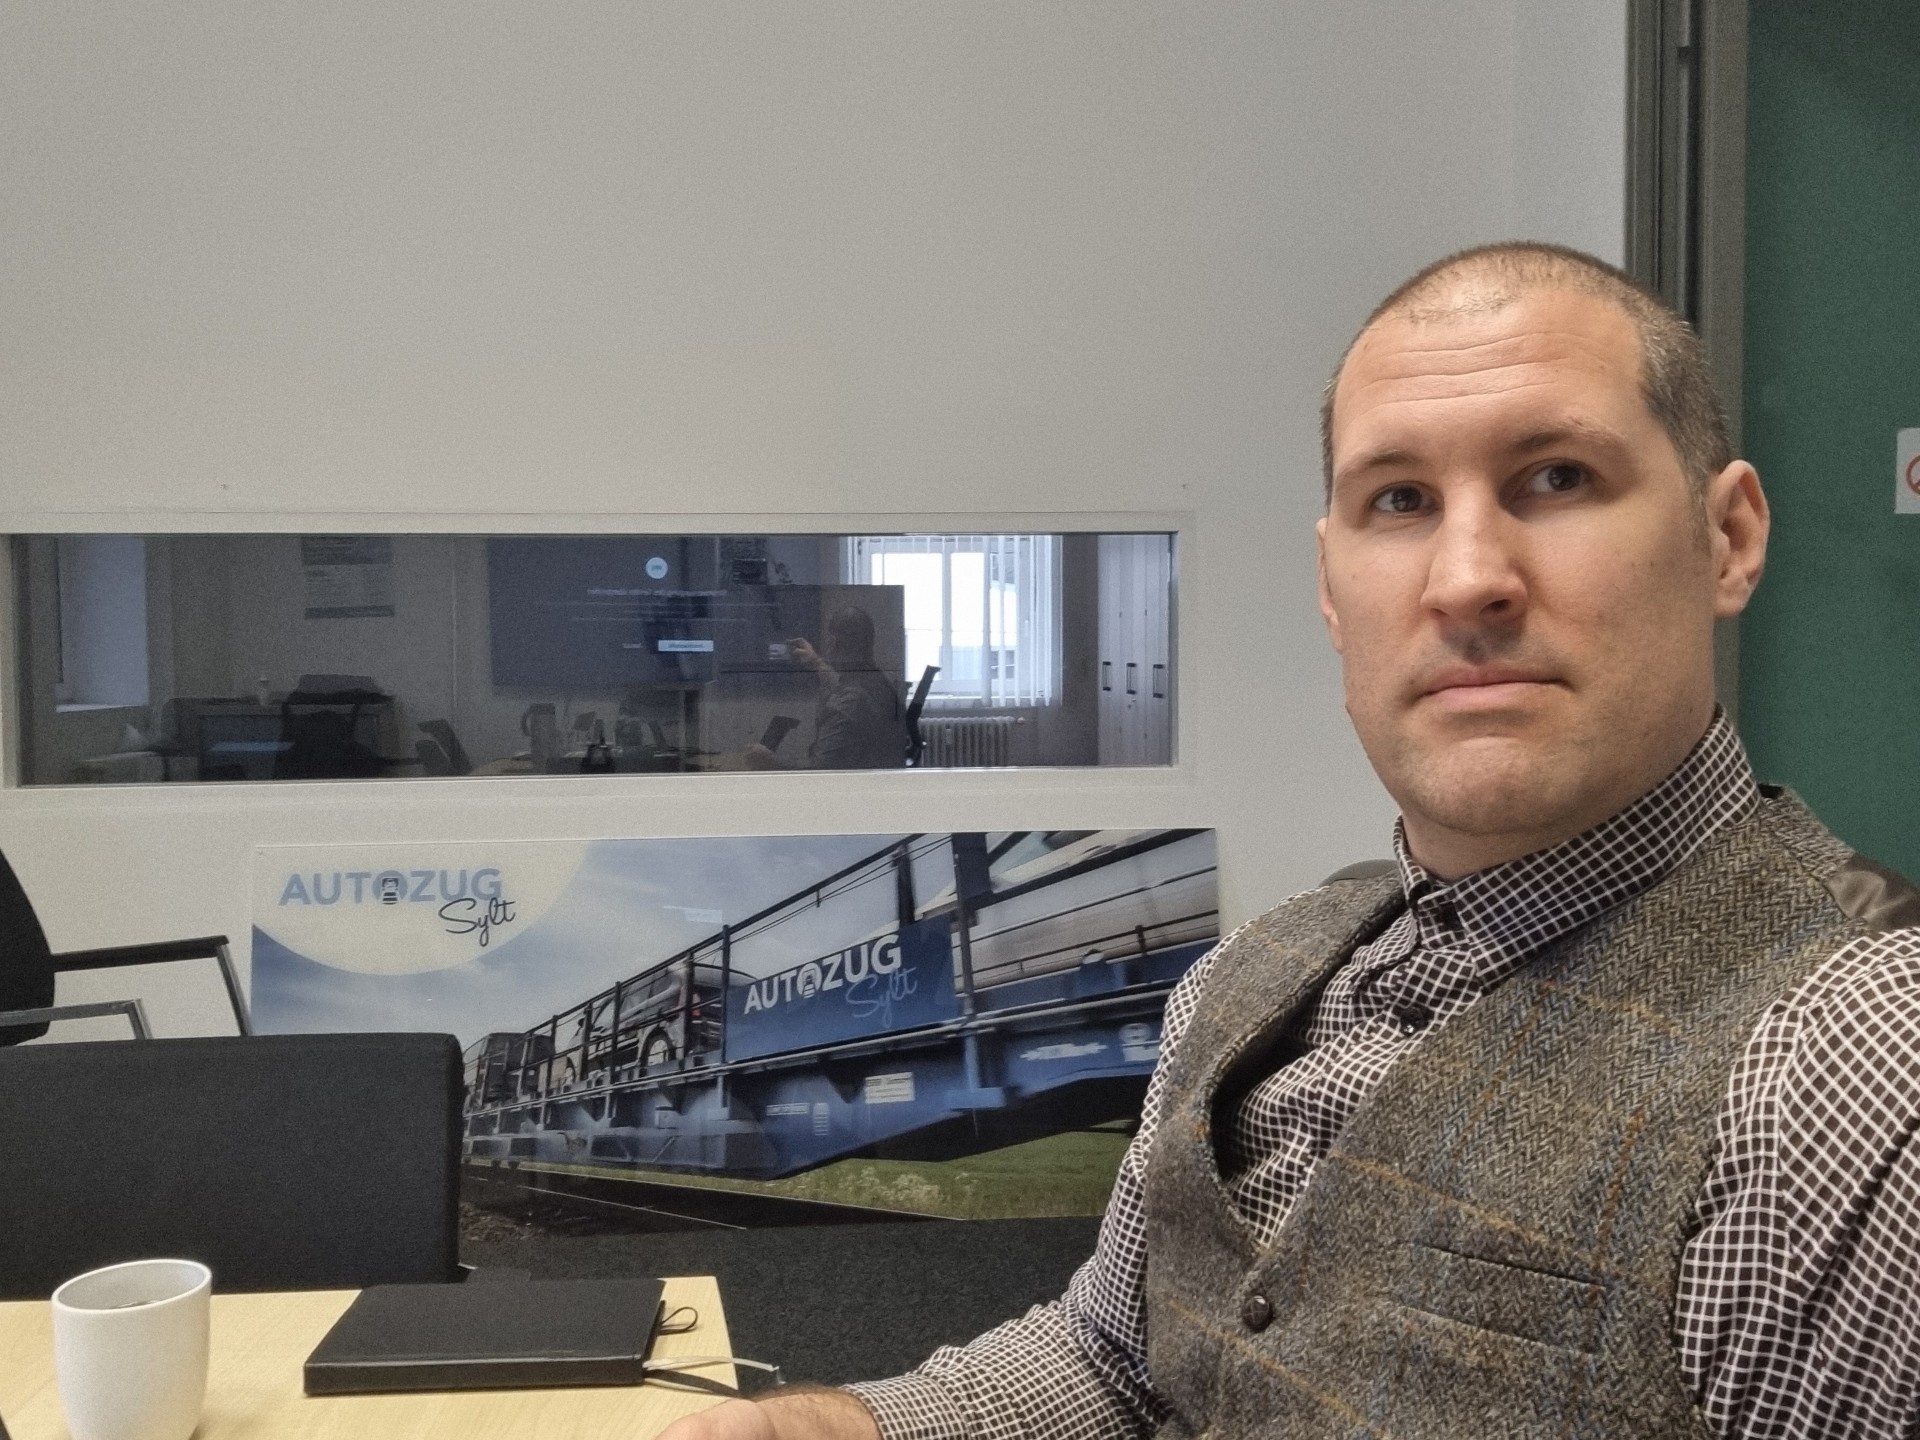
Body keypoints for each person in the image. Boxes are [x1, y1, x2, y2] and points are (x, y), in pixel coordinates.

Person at [666, 243, 1920, 1440]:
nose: (1467, 576)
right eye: (1400, 500)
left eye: (1556, 479)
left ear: (1727, 537)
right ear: (1331, 587)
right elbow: (1114, 1359)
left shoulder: (1852, 1074)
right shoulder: (1255, 972)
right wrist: (838, 1423)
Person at [743, 605, 906, 771]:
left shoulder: (848, 702)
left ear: (833, 641)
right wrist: (816, 663)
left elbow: (820, 773)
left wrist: (770, 762)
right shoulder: (879, 684)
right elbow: (844, 688)